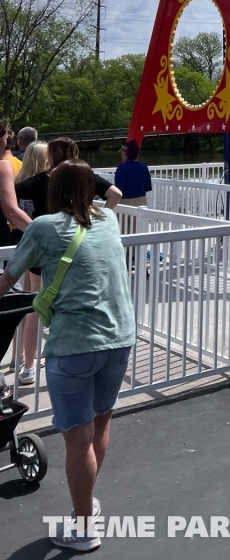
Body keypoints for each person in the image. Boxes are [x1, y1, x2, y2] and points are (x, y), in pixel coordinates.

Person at [0, 159, 135, 552]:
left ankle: (84, 525)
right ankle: (86, 502)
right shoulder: (108, 219)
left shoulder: (44, 226)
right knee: (100, 421)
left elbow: (9, 279)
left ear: (53, 191)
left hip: (75, 345)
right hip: (119, 338)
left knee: (77, 438)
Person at [14, 137, 122, 224]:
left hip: (49, 229)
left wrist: (29, 224)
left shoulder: (41, 179)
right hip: (80, 228)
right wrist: (101, 217)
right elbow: (116, 194)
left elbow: (11, 196)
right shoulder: (86, 175)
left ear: (51, 155)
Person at [13, 141, 49, 384]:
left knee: (24, 302)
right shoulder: (43, 184)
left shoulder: (19, 183)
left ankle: (18, 355)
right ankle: (29, 365)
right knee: (37, 304)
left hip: (21, 244)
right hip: (40, 247)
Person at [114, 139, 152, 206]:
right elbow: (147, 187)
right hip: (141, 202)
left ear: (126, 152)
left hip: (125, 203)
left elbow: (118, 189)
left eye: (122, 151)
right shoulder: (144, 166)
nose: (121, 153)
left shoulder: (122, 168)